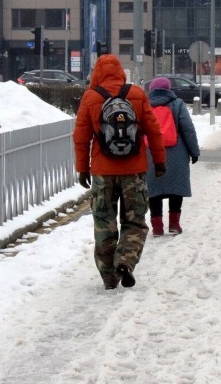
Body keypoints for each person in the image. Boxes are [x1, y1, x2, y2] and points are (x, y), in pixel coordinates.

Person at [73, 54, 166, 290]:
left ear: (97, 73)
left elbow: (81, 138)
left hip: (102, 173)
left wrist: (83, 169)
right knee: (134, 221)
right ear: (120, 72)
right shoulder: (136, 94)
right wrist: (160, 160)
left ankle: (109, 277)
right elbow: (153, 131)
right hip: (134, 172)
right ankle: (125, 260)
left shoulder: (91, 97)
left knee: (104, 221)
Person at [145, 77, 201, 236]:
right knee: (176, 188)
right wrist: (194, 152)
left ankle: (156, 227)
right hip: (177, 152)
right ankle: (174, 225)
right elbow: (187, 129)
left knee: (153, 190)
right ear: (169, 89)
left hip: (151, 153)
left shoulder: (146, 106)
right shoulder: (177, 104)